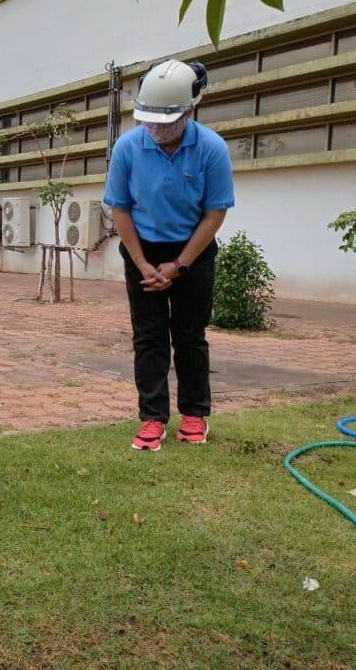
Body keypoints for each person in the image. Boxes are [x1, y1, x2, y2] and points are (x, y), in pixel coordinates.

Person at [102, 59, 235, 452]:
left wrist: (179, 266)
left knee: (190, 335)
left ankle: (194, 414)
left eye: (166, 122)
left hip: (193, 250)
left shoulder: (211, 149)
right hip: (141, 249)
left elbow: (215, 213)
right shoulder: (127, 147)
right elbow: (120, 209)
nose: (156, 130)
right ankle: (152, 418)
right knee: (149, 336)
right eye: (149, 121)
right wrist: (142, 263)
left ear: (190, 111)